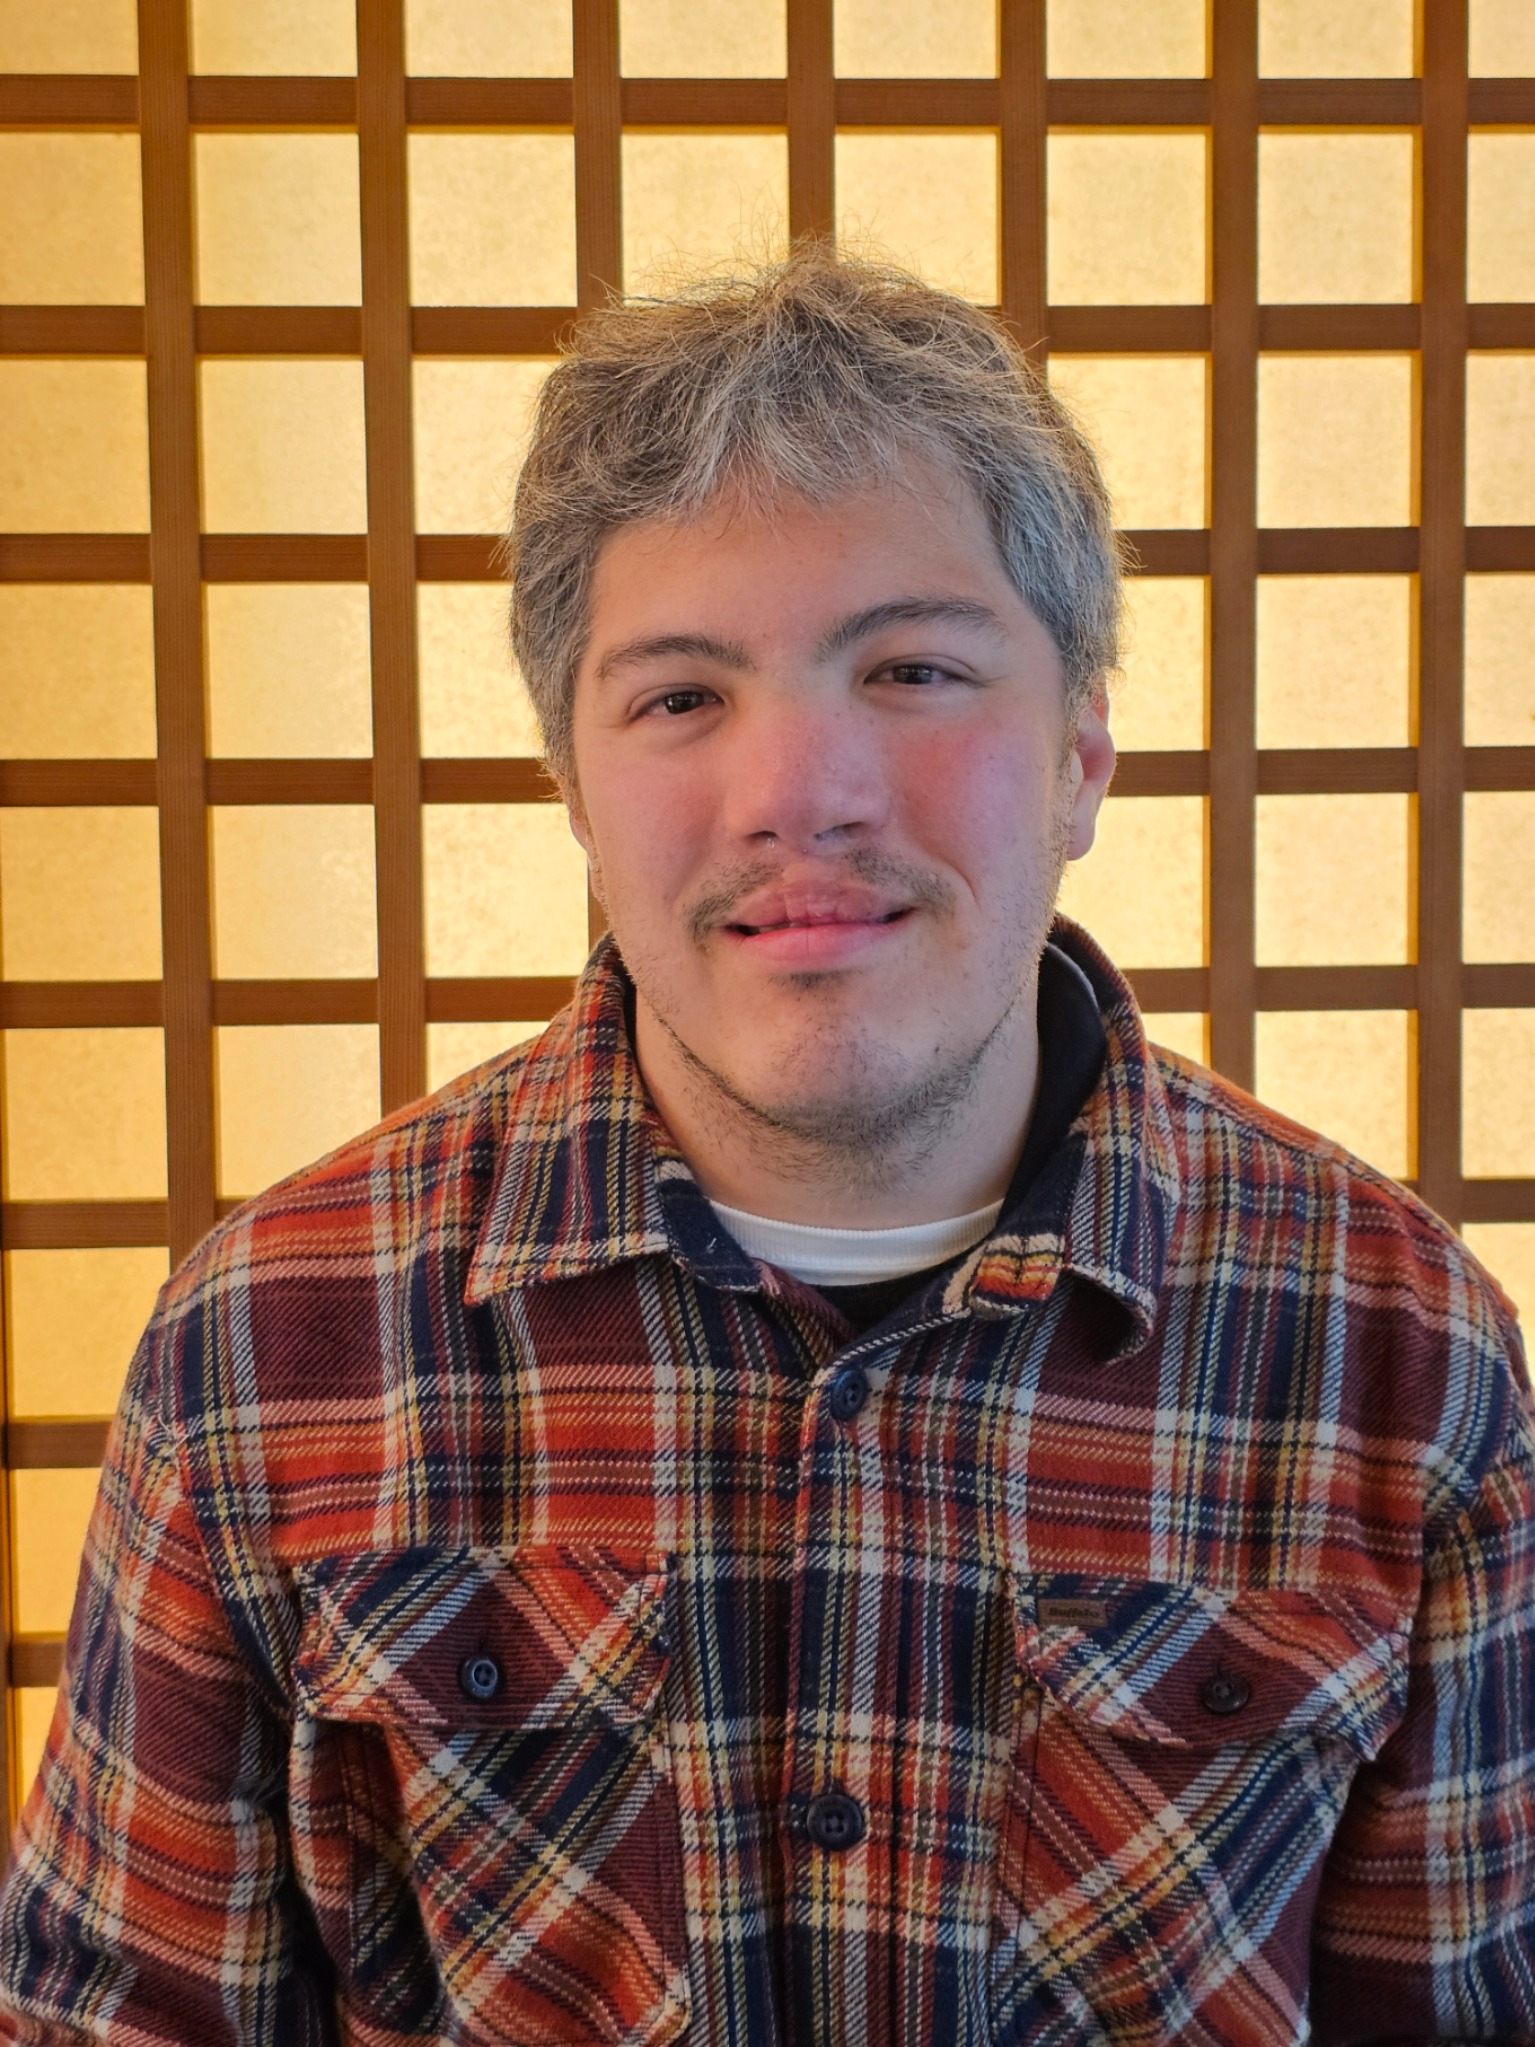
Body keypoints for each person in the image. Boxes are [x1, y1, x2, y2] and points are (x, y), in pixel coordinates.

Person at [1, 250, 1532, 2047]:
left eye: (912, 667)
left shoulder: (1393, 1341)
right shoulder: (272, 1344)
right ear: (571, 781)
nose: (802, 789)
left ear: (1084, 753)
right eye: (680, 697)